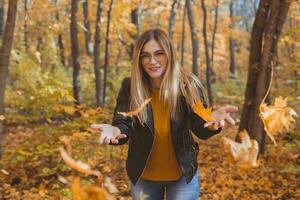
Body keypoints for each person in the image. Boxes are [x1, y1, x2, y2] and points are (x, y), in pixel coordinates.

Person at [91, 29, 237, 200]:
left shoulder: (187, 85)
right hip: (143, 178)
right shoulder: (130, 86)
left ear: (170, 55)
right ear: (139, 59)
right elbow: (123, 123)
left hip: (183, 178)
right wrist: (115, 130)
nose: (152, 61)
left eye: (159, 54)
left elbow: (200, 128)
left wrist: (212, 124)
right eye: (145, 55)